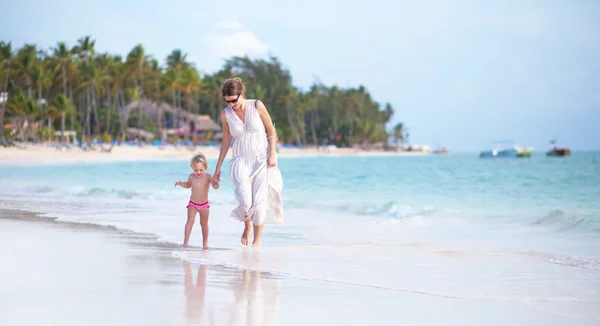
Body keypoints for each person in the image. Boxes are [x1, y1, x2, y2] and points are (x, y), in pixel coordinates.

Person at [213, 77, 284, 247]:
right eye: (227, 101)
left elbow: (271, 129)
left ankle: (256, 243)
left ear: (242, 94)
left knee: (259, 201)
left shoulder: (256, 105)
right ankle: (247, 225)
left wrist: (272, 153)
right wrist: (218, 167)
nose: (231, 104)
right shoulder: (226, 114)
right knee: (245, 200)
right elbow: (225, 141)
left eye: (234, 100)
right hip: (240, 161)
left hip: (261, 159)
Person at [175, 152, 220, 249]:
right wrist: (180, 183)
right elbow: (188, 185)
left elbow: (215, 187)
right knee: (190, 220)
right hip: (193, 204)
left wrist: (216, 182)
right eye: (195, 170)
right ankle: (186, 242)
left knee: (204, 224)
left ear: (206, 167)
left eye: (201, 170)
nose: (198, 172)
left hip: (204, 205)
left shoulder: (208, 176)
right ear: (192, 168)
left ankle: (205, 243)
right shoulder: (191, 176)